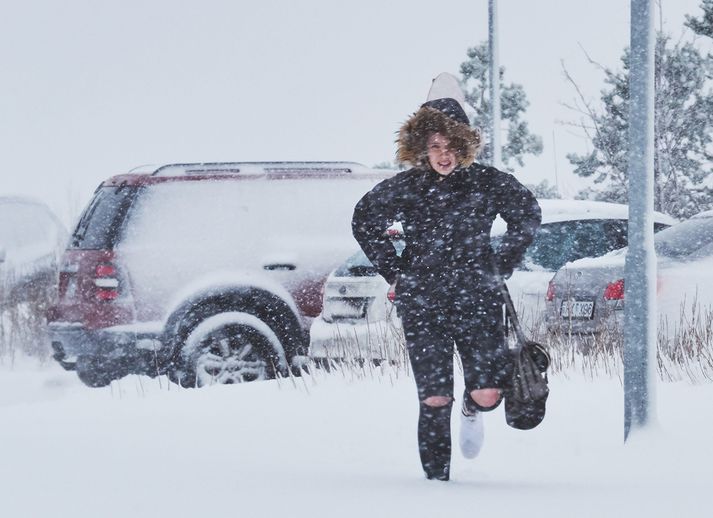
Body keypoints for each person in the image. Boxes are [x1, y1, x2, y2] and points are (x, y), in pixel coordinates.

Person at [351, 98, 541, 481]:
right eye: (435, 145)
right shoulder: (407, 187)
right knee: (435, 397)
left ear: (465, 145)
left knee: (486, 393)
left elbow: (527, 213)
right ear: (423, 146)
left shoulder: (485, 182)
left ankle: (472, 410)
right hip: (423, 302)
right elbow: (364, 219)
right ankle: (437, 486)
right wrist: (396, 271)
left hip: (479, 298)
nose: (443, 154)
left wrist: (500, 263)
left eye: (451, 145)